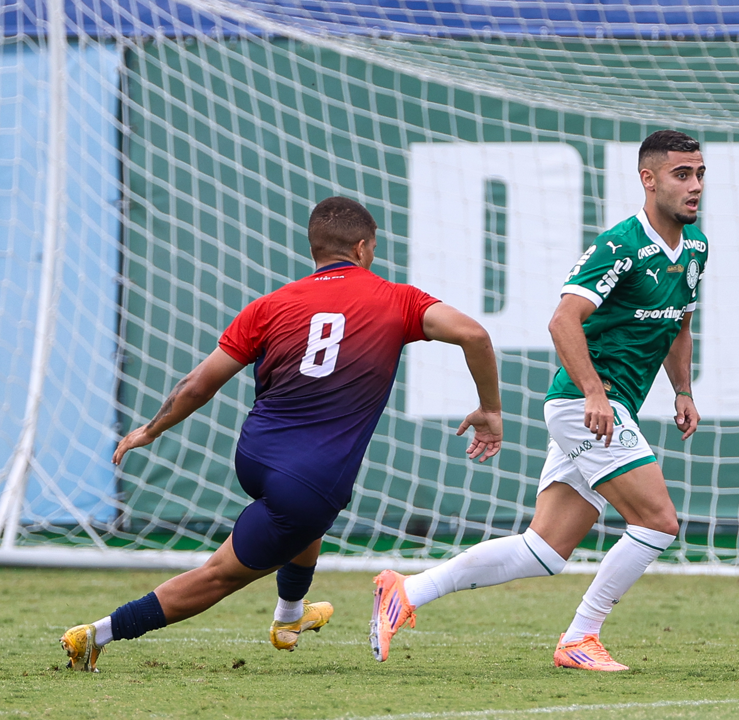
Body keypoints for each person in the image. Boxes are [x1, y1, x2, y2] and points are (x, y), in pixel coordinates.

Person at [59, 197, 502, 671]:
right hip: (309, 477)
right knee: (220, 575)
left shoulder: (270, 305)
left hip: (257, 454)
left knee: (303, 517)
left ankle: (290, 616)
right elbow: (474, 335)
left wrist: (150, 429)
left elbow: (197, 384)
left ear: (315, 250)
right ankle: (97, 634)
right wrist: (490, 410)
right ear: (362, 247)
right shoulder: (397, 299)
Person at [369, 129, 707, 671]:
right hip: (584, 404)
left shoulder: (695, 248)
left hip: (605, 406)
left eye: (699, 174)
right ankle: (580, 638)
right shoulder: (621, 245)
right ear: (648, 179)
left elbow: (680, 325)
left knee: (544, 550)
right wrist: (595, 392)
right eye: (681, 174)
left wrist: (683, 389)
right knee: (658, 522)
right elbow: (562, 320)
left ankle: (407, 591)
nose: (695, 186)